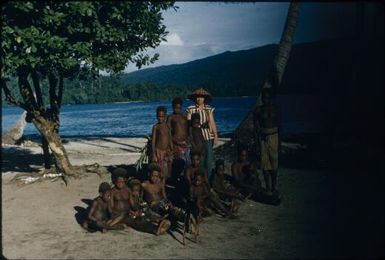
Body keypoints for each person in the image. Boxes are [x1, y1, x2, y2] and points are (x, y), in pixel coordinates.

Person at [253, 88, 281, 195]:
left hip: (274, 136)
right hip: (262, 138)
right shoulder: (258, 110)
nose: (266, 100)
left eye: (268, 98)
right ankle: (268, 187)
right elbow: (255, 129)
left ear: (271, 98)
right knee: (264, 164)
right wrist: (256, 143)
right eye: (264, 98)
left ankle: (273, 186)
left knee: (274, 163)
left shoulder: (275, 109)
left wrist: (279, 144)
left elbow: (280, 126)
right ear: (262, 98)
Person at [186, 88, 218, 179]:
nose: (199, 99)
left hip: (208, 137)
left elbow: (212, 122)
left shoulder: (208, 108)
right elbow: (189, 124)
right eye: (197, 97)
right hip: (197, 138)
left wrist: (216, 136)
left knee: (209, 159)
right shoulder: (190, 109)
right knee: (200, 159)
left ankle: (208, 179)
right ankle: (199, 178)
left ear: (204, 98)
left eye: (201, 97)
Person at [152, 106, 173, 179]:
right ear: (156, 116)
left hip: (166, 151)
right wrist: (154, 154)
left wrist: (171, 149)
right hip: (159, 151)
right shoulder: (156, 127)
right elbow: (153, 141)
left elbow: (170, 138)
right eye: (159, 116)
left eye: (162, 116)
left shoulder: (167, 126)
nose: (160, 118)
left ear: (165, 116)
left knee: (167, 171)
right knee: (159, 171)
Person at [167, 97, 190, 165]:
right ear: (172, 107)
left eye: (179, 108)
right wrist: (176, 142)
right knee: (179, 162)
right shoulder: (171, 117)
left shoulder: (184, 116)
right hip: (177, 144)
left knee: (188, 162)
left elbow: (188, 129)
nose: (178, 110)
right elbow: (168, 132)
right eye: (176, 108)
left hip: (186, 143)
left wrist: (188, 139)